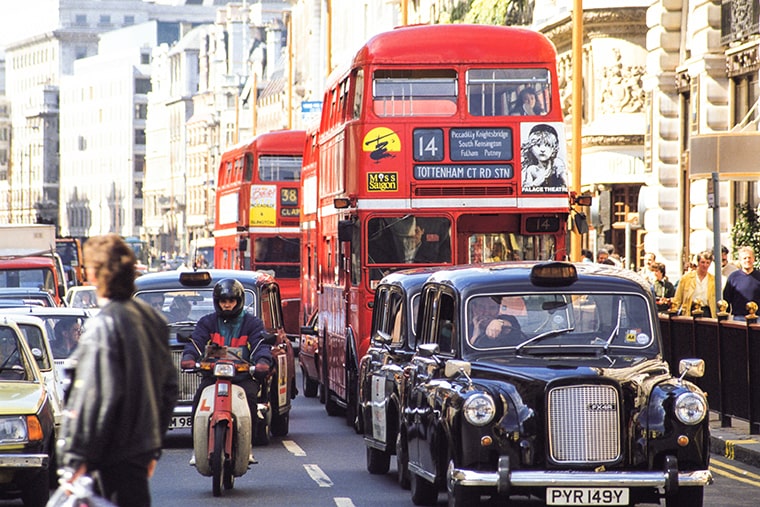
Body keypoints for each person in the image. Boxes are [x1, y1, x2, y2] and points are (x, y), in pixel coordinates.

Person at [57, 234, 178, 507]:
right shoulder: (153, 319)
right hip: (137, 456)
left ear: (94, 273)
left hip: (106, 463)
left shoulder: (103, 326)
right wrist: (151, 449)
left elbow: (95, 399)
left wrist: (76, 459)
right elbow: (169, 389)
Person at [180, 278, 273, 465]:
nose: (227, 305)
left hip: (241, 377)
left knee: (250, 400)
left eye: (231, 301)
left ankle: (247, 448)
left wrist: (263, 361)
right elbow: (196, 343)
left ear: (239, 302)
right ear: (217, 302)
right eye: (223, 301)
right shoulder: (207, 322)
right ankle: (197, 448)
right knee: (199, 401)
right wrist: (189, 358)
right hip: (213, 376)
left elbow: (260, 346)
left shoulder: (252, 323)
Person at [521, 124, 567, 193]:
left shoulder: (557, 163)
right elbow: (526, 188)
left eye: (548, 145)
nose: (542, 149)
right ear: (531, 149)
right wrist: (543, 176)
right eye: (538, 145)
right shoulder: (532, 169)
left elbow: (564, 181)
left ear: (554, 149)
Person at [672, 250, 716, 317]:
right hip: (690, 311)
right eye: (703, 262)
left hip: (707, 311)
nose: (705, 265)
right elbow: (678, 298)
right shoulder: (686, 278)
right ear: (698, 263)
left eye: (707, 263)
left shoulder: (713, 280)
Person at [723, 246, 760, 321]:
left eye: (749, 257)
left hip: (758, 317)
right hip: (739, 317)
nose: (747, 260)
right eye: (744, 258)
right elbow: (727, 298)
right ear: (740, 260)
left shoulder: (759, 276)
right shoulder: (733, 277)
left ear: (753, 259)